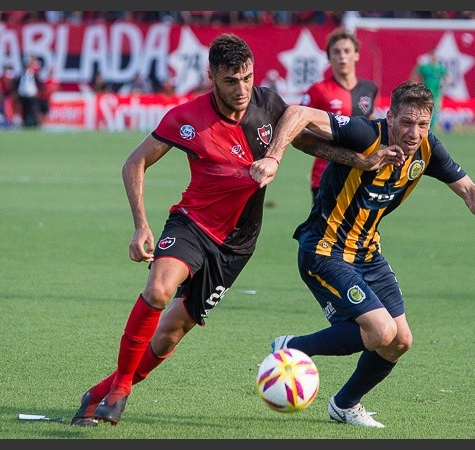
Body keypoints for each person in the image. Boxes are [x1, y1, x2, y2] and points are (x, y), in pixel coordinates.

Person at [70, 33, 403, 427]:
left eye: (247, 77)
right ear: (211, 77)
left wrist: (359, 161)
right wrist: (140, 225)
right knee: (158, 290)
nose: (242, 88)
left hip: (237, 245)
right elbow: (134, 163)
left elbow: (307, 142)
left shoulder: (266, 104)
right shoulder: (185, 117)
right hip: (192, 224)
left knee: (168, 336)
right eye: (231, 80)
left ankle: (96, 394)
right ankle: (121, 391)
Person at [249, 80, 475, 428]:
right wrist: (273, 157)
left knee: (400, 341)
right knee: (379, 333)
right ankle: (293, 346)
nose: (414, 132)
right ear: (389, 118)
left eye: (422, 124)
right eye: (406, 122)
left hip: (367, 252)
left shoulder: (428, 149)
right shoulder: (363, 134)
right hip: (324, 249)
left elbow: (468, 189)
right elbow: (297, 113)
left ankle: (344, 405)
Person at [302, 27, 378, 200]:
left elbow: (370, 120)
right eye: (336, 52)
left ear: (357, 55)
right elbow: (301, 127)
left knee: (360, 226)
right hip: (325, 175)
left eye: (347, 51)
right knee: (324, 227)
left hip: (360, 174)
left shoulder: (369, 89)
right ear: (329, 57)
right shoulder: (318, 90)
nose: (342, 56)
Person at [410, 50, 450, 132]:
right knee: (424, 111)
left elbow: (448, 77)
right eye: (432, 56)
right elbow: (415, 73)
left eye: (435, 56)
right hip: (425, 93)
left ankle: (429, 130)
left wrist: (445, 83)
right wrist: (416, 84)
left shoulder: (440, 68)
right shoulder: (425, 67)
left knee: (434, 113)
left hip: (436, 94)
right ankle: (423, 128)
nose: (434, 58)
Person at [15, 55, 43, 128]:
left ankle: (38, 125)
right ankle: (24, 124)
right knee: (23, 111)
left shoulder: (34, 74)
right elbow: (17, 84)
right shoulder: (21, 74)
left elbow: (39, 84)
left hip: (32, 96)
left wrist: (38, 92)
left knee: (35, 110)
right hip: (23, 95)